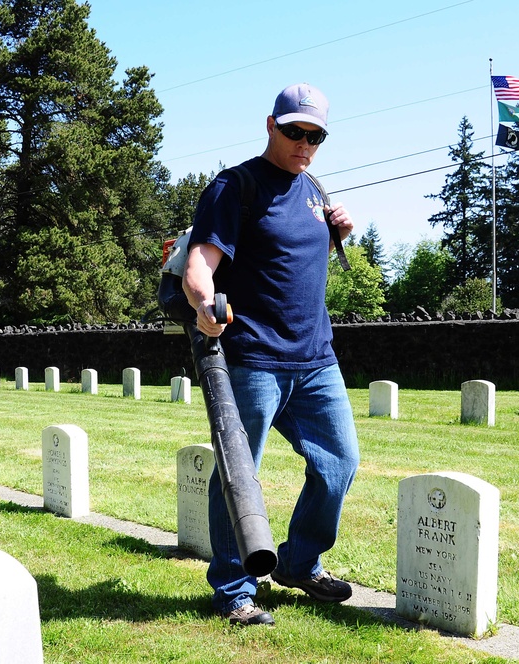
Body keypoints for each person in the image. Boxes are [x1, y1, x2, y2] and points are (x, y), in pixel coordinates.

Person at [182, 82, 360, 627]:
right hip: (253, 357)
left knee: (339, 464)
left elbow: (290, 261)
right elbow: (200, 264)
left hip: (316, 360)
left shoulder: (314, 190)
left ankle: (298, 562)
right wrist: (204, 303)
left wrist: (337, 233)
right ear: (270, 125)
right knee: (239, 474)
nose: (305, 143)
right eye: (295, 132)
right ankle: (235, 589)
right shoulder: (235, 186)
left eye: (316, 135)